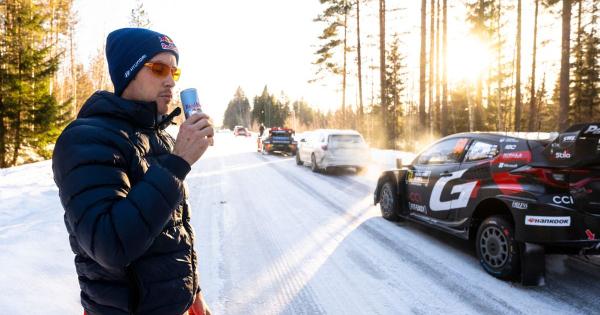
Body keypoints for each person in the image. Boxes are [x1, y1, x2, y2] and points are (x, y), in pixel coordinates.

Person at [52, 28, 213, 315]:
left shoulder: (159, 137)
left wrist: (193, 293)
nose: (169, 82)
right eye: (158, 68)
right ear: (128, 72)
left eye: (174, 72)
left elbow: (173, 231)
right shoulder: (86, 139)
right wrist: (177, 165)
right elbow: (109, 245)